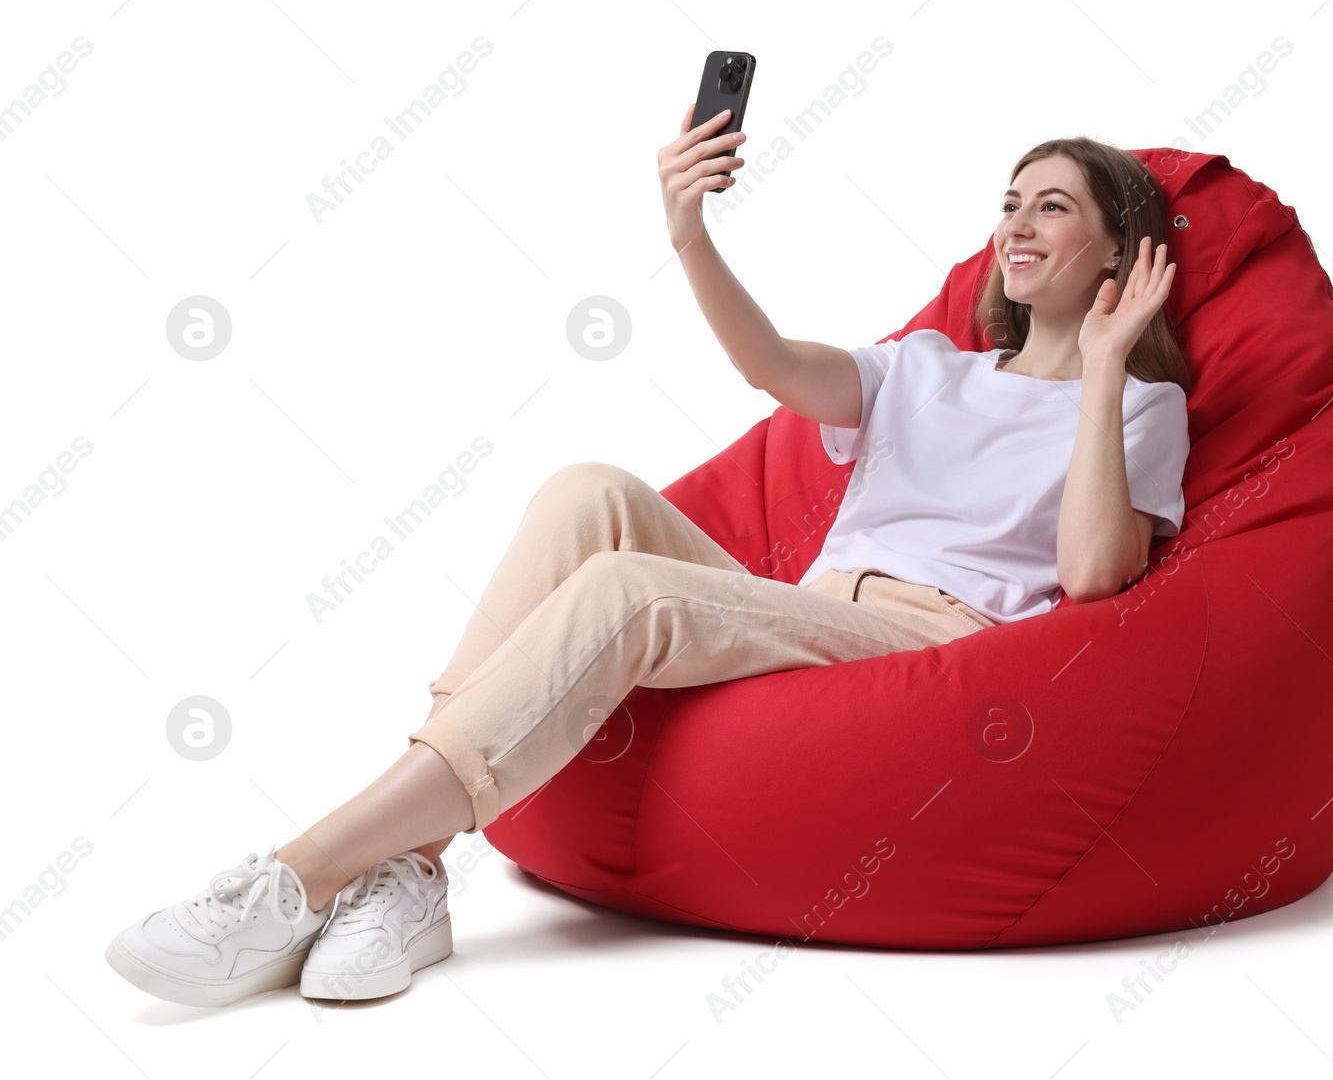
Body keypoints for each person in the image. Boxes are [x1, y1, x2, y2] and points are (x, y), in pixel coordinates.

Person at [104, 105, 1191, 1009]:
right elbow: (769, 363)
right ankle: (414, 866)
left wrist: (1100, 370)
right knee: (589, 491)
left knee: (627, 592)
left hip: (931, 643)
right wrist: (688, 232)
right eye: (1009, 202)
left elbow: (1096, 574)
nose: (1017, 224)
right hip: (811, 607)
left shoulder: (1139, 404)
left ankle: (299, 875)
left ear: (1120, 249)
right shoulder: (925, 366)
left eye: (1053, 206)